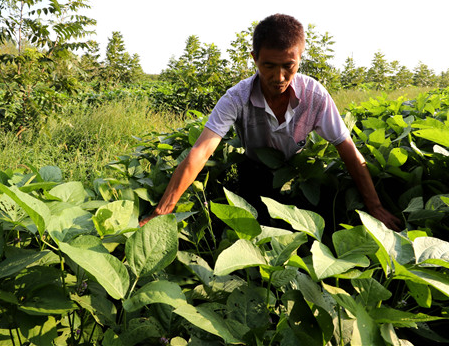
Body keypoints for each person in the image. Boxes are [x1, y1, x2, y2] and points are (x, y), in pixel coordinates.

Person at [140, 14, 402, 231]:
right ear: (254, 58)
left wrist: (375, 206)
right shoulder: (237, 97)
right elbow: (200, 151)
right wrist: (162, 210)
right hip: (255, 172)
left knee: (316, 226)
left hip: (298, 172)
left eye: (289, 66)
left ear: (300, 59)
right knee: (251, 228)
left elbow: (347, 149)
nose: (279, 76)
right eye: (268, 66)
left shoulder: (314, 95)